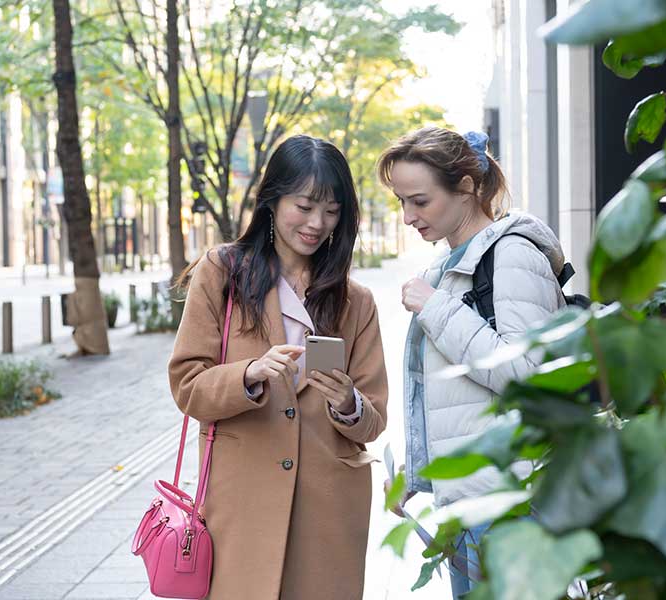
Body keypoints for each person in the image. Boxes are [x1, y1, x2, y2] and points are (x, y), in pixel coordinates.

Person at [169, 135, 388, 600]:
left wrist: (348, 402)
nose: (317, 223)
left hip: (329, 507)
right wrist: (248, 374)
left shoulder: (356, 302)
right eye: (304, 206)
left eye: (331, 211)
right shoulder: (222, 273)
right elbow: (188, 386)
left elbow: (373, 419)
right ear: (272, 200)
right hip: (242, 500)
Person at [377, 126, 567, 598]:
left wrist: (438, 310)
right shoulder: (449, 267)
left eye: (419, 201)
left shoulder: (512, 254)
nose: (408, 217)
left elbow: (529, 376)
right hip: (469, 505)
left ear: (465, 187)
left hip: (511, 506)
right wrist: (417, 477)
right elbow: (450, 400)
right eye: (402, 202)